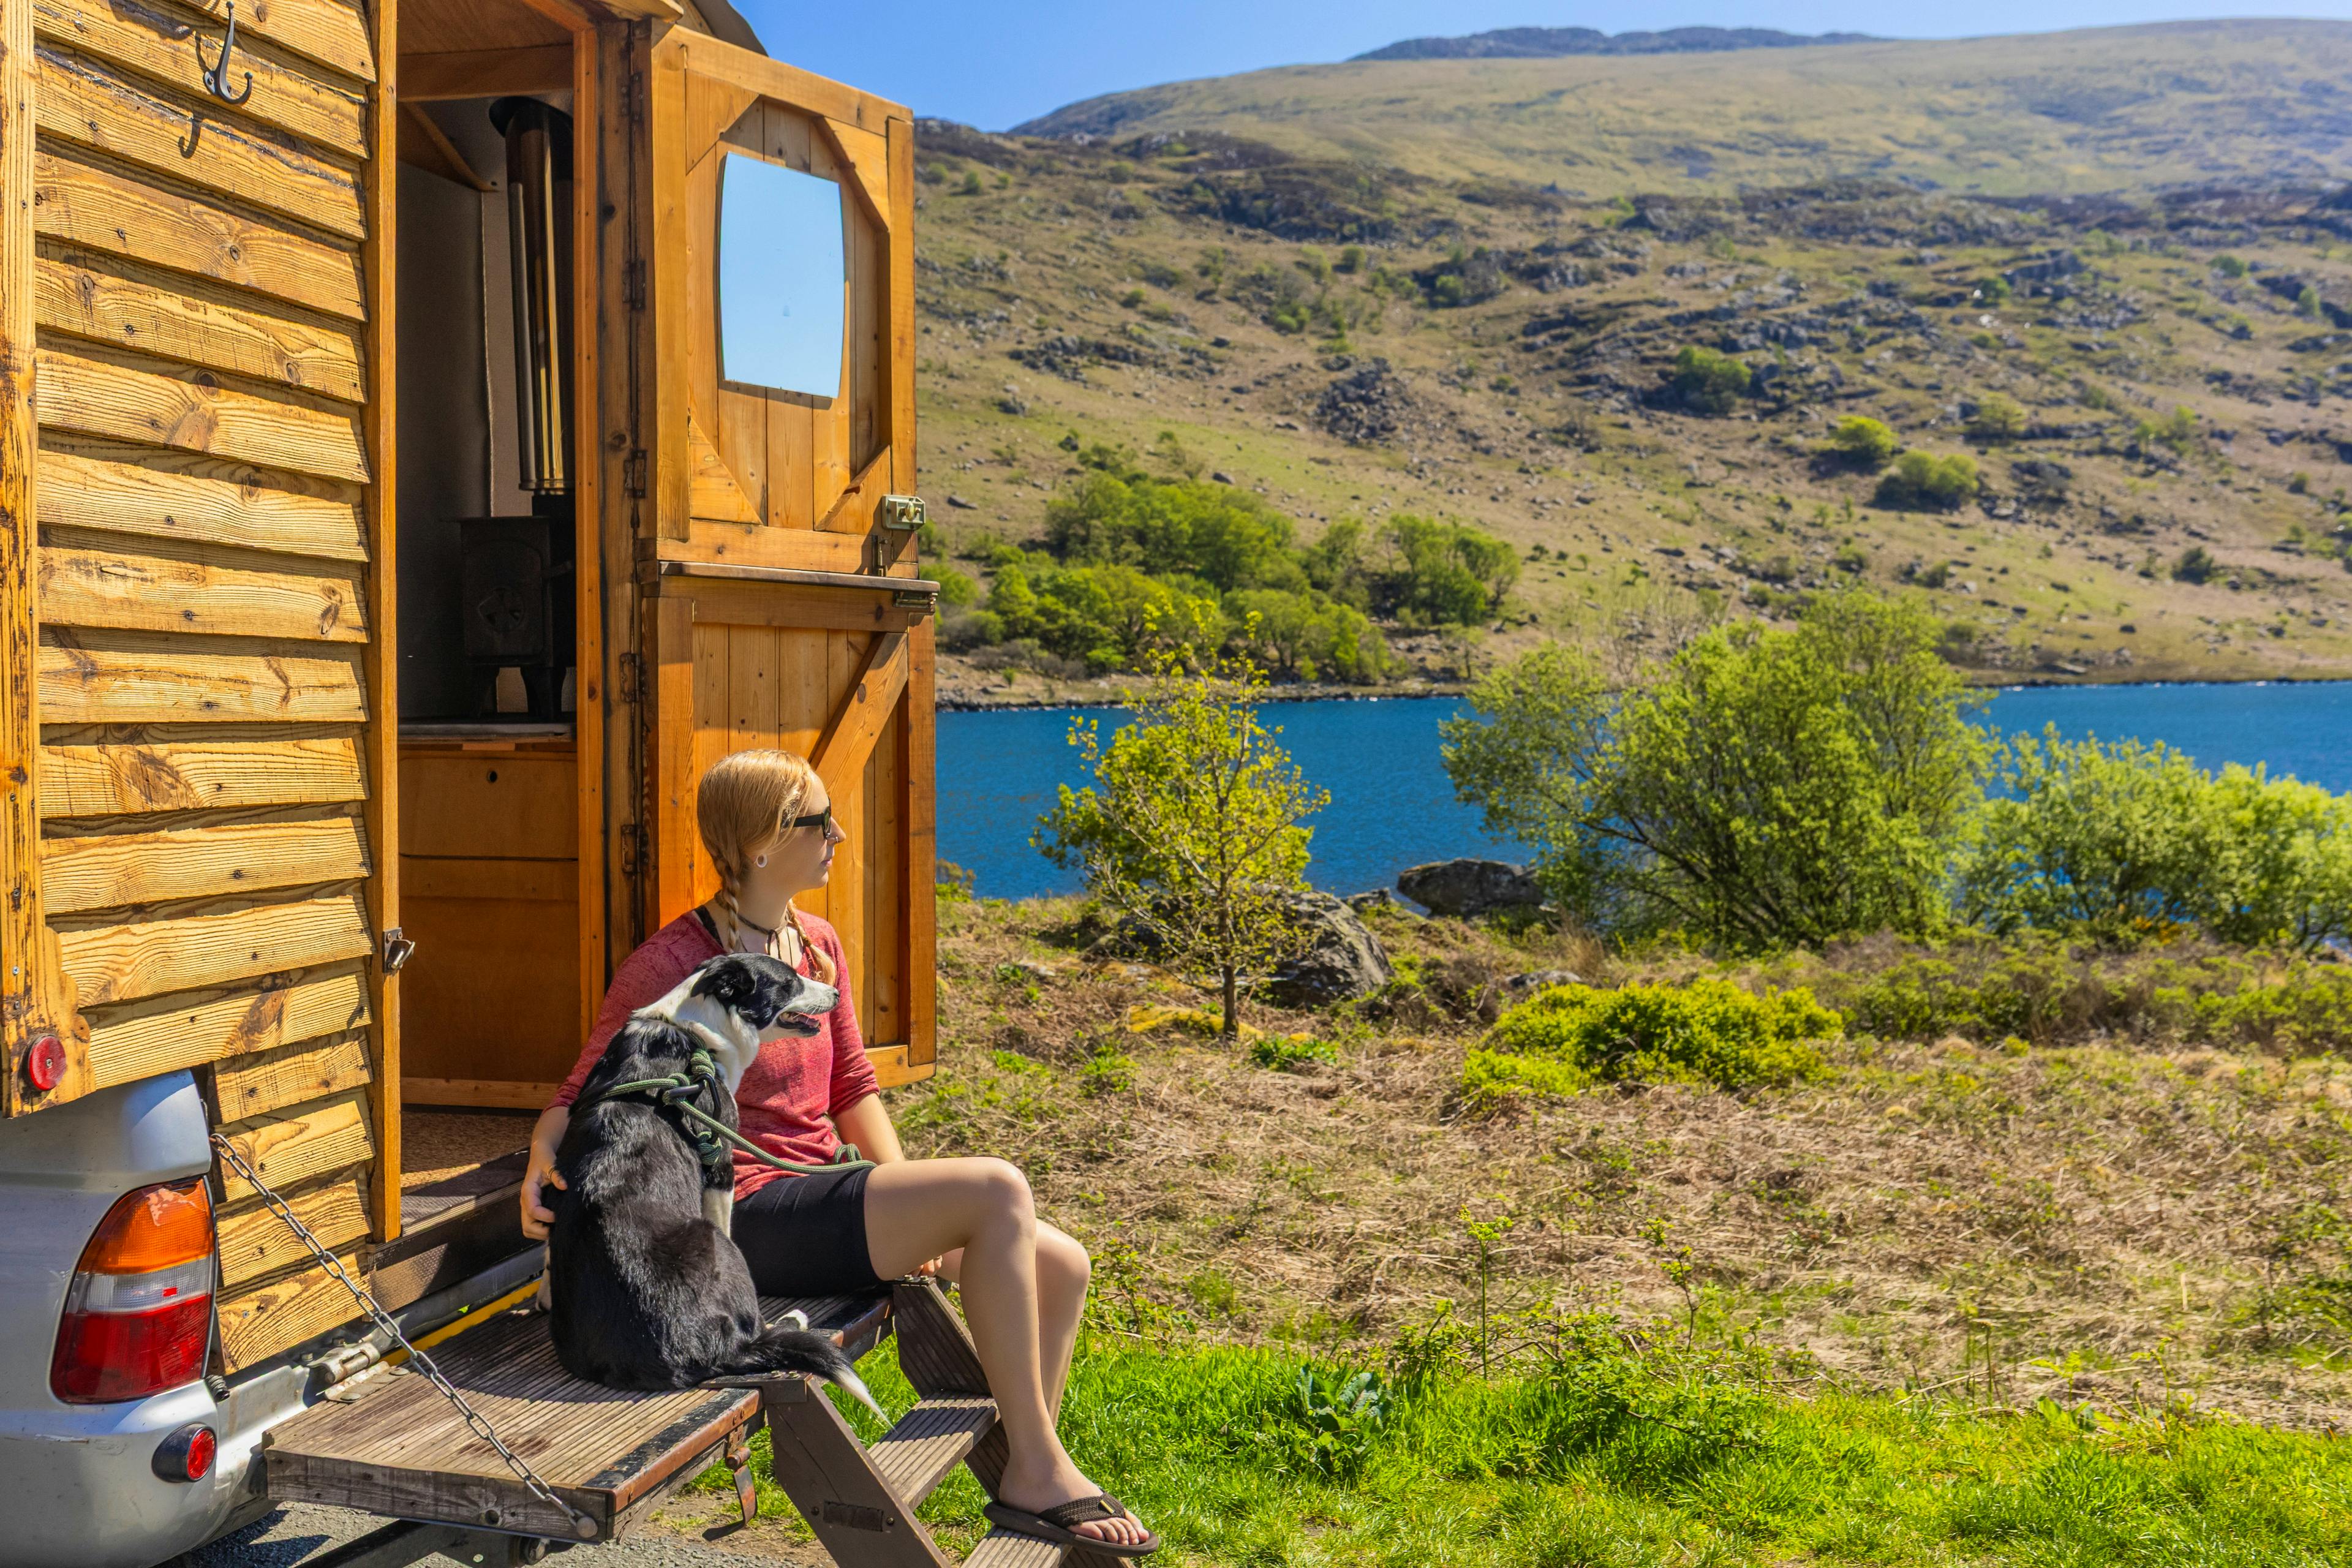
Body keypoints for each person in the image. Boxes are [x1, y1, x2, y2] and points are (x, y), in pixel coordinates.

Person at [521, 750, 1153, 1554]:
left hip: (822, 1194)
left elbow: (853, 1089)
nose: (840, 836)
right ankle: (1037, 1467)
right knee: (998, 1190)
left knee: (1063, 1265)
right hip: (738, 1218)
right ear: (762, 841)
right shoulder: (675, 964)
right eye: (821, 822)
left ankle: (1032, 1466)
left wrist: (905, 1208)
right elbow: (581, 1090)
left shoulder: (815, 946)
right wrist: (545, 1159)